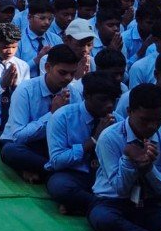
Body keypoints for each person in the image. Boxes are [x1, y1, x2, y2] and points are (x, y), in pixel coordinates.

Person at [88, 84, 161, 231]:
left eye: (159, 120)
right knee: (103, 218)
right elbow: (120, 189)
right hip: (112, 203)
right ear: (129, 112)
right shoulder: (110, 137)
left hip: (150, 205)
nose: (152, 126)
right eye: (145, 120)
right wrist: (129, 159)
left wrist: (149, 169)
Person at [0, 44, 79, 182]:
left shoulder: (73, 93)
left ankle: (45, 169)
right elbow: (18, 136)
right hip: (25, 144)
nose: (68, 78)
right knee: (10, 151)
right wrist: (52, 114)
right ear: (48, 67)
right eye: (63, 72)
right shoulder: (25, 90)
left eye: (72, 74)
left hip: (52, 145)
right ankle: (55, 170)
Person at [46, 72, 121, 215]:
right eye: (103, 100)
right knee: (59, 186)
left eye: (113, 100)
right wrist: (94, 140)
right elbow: (56, 161)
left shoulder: (119, 122)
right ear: (86, 95)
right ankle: (102, 207)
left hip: (105, 177)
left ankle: (85, 206)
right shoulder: (63, 116)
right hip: (75, 174)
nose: (110, 105)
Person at [17, 0, 61, 77]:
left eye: (50, 19)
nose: (47, 22)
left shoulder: (56, 39)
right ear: (29, 17)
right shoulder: (18, 40)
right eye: (42, 18)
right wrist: (37, 59)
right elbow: (15, 71)